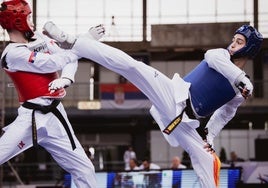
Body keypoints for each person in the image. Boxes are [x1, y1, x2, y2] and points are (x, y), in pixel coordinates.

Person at [43, 21, 263, 188]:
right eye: (234, 39)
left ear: (249, 49)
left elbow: (225, 114)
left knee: (208, 160)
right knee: (133, 67)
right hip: (173, 96)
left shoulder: (240, 89)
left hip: (185, 123)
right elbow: (214, 60)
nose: (233, 43)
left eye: (240, 42)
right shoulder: (220, 55)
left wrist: (210, 137)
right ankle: (74, 42)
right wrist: (242, 80)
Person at [0, 0, 104, 187]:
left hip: (56, 116)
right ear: (17, 21)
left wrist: (67, 79)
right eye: (28, 17)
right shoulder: (12, 54)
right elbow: (54, 62)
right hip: (30, 119)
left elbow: (68, 57)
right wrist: (85, 41)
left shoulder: (39, 37)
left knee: (85, 169)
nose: (32, 21)